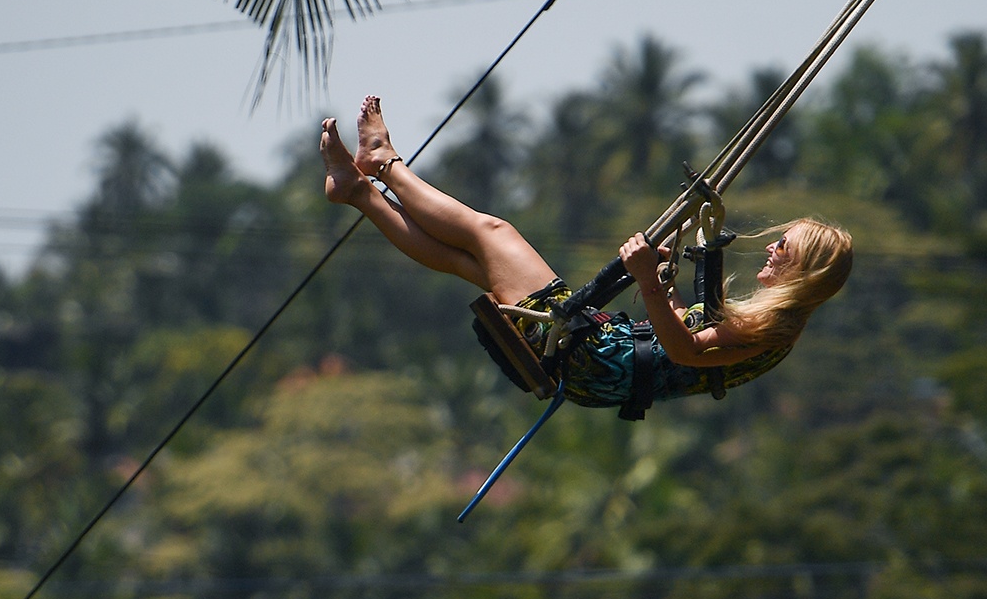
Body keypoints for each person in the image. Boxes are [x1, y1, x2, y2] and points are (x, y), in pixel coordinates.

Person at [320, 95, 852, 411]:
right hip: (593, 361)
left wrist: (645, 278)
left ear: (802, 272)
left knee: (492, 233)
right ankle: (359, 193)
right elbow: (683, 347)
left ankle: (385, 163)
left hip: (588, 355)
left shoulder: (772, 328)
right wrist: (662, 282)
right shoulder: (774, 325)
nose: (773, 246)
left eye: (787, 246)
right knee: (471, 261)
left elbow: (688, 352)